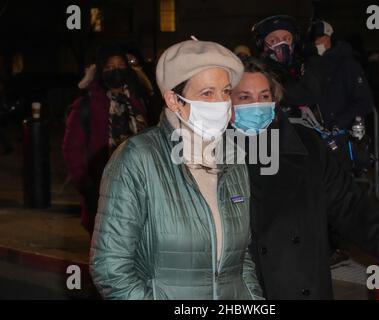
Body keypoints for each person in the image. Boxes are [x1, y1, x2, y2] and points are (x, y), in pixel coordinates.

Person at [229, 57, 379, 300]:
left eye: (264, 96)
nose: (256, 105)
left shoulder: (306, 145)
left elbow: (347, 204)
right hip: (241, 291)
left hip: (299, 285)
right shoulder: (210, 152)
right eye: (244, 97)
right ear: (227, 101)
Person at [89, 39, 263, 300]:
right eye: (207, 93)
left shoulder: (233, 157)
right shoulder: (138, 157)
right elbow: (110, 269)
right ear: (173, 100)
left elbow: (241, 259)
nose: (220, 103)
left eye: (225, 92)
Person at [62, 45, 149, 235]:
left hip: (140, 188)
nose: (115, 71)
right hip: (103, 190)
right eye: (109, 67)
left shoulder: (138, 101)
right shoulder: (87, 105)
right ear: (100, 72)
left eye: (120, 66)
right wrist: (86, 186)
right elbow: (72, 149)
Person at [251, 15, 317, 117]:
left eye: (287, 39)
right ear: (262, 45)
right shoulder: (259, 72)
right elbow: (301, 96)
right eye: (273, 41)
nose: (282, 44)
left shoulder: (301, 66)